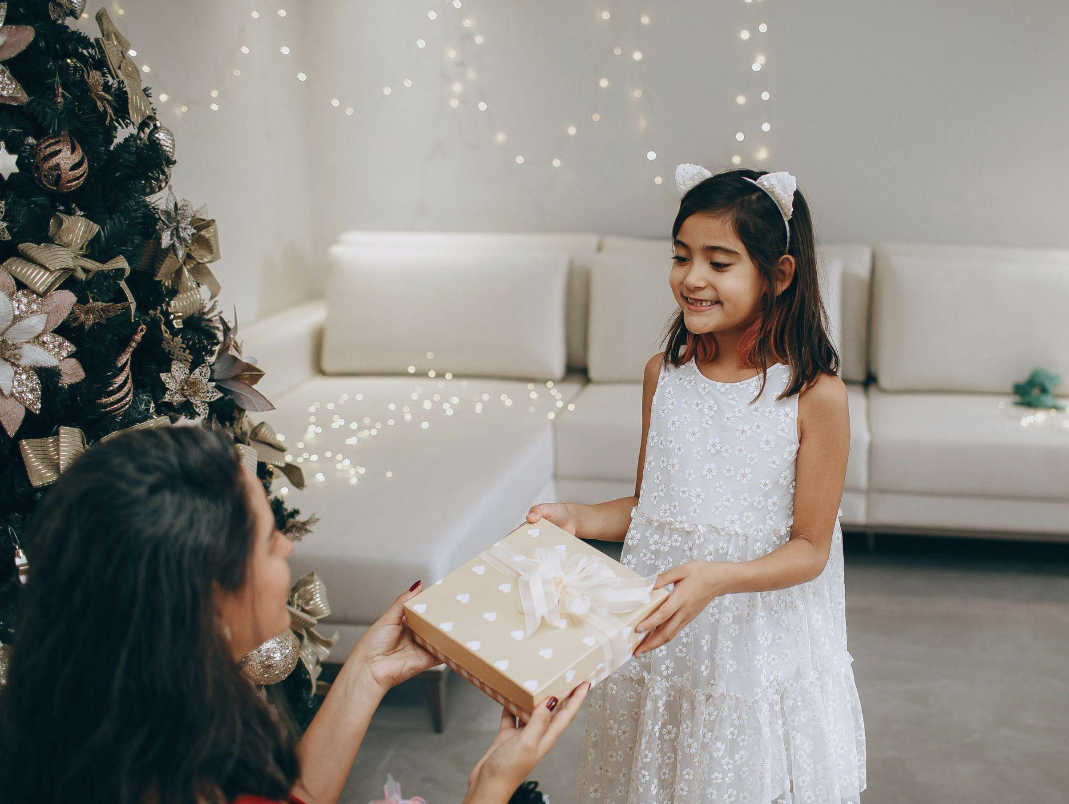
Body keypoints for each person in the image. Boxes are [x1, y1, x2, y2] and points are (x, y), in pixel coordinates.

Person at [0, 426, 588, 804]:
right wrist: (491, 787)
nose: (287, 547)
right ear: (209, 603)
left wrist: (365, 674)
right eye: (267, 541)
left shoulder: (127, 720)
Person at [527, 164, 867, 803]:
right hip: (665, 636)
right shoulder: (667, 374)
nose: (692, 278)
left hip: (752, 642)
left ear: (780, 274)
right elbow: (653, 510)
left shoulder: (815, 395)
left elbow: (810, 549)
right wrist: (577, 517)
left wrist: (716, 578)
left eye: (720, 262)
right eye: (681, 257)